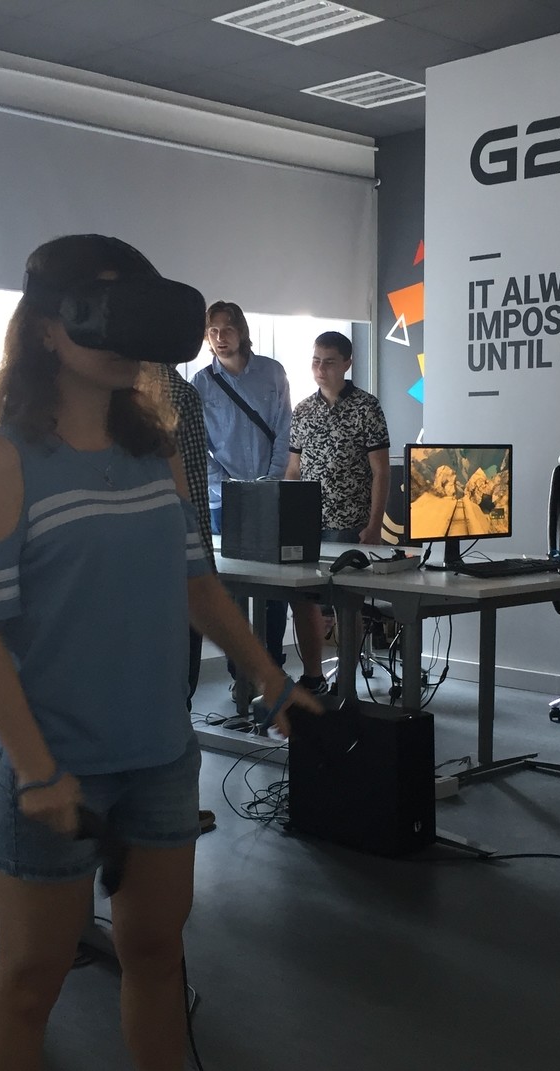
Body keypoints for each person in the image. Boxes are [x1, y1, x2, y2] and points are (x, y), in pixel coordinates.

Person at [0, 235, 319, 1071]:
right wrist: (35, 768)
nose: (121, 339)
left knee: (154, 951)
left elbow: (197, 585)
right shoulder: (3, 462)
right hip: (53, 764)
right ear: (45, 330)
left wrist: (268, 678)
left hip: (158, 755)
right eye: (98, 313)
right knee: (31, 979)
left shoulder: (154, 455)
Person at [283, 331, 391, 692]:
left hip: (350, 524)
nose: (320, 368)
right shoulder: (303, 410)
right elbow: (293, 469)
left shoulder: (366, 407)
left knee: (347, 605)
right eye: (316, 361)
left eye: (329, 362)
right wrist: (286, 517)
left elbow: (381, 471)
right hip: (307, 524)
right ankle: (313, 676)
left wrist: (374, 525)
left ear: (347, 363)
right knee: (303, 600)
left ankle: (346, 680)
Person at [192, 301, 292, 686]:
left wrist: (271, 478)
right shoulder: (201, 383)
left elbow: (284, 429)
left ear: (242, 331)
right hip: (225, 501)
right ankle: (241, 675)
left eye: (227, 329)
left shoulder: (272, 372)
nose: (220, 337)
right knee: (233, 591)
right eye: (213, 331)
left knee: (275, 588)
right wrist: (226, 484)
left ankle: (273, 667)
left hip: (271, 495)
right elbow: (199, 447)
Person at [162, 362, 218, 834]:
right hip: (172, 574)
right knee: (178, 690)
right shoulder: (177, 394)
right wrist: (205, 575)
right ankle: (176, 806)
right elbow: (193, 494)